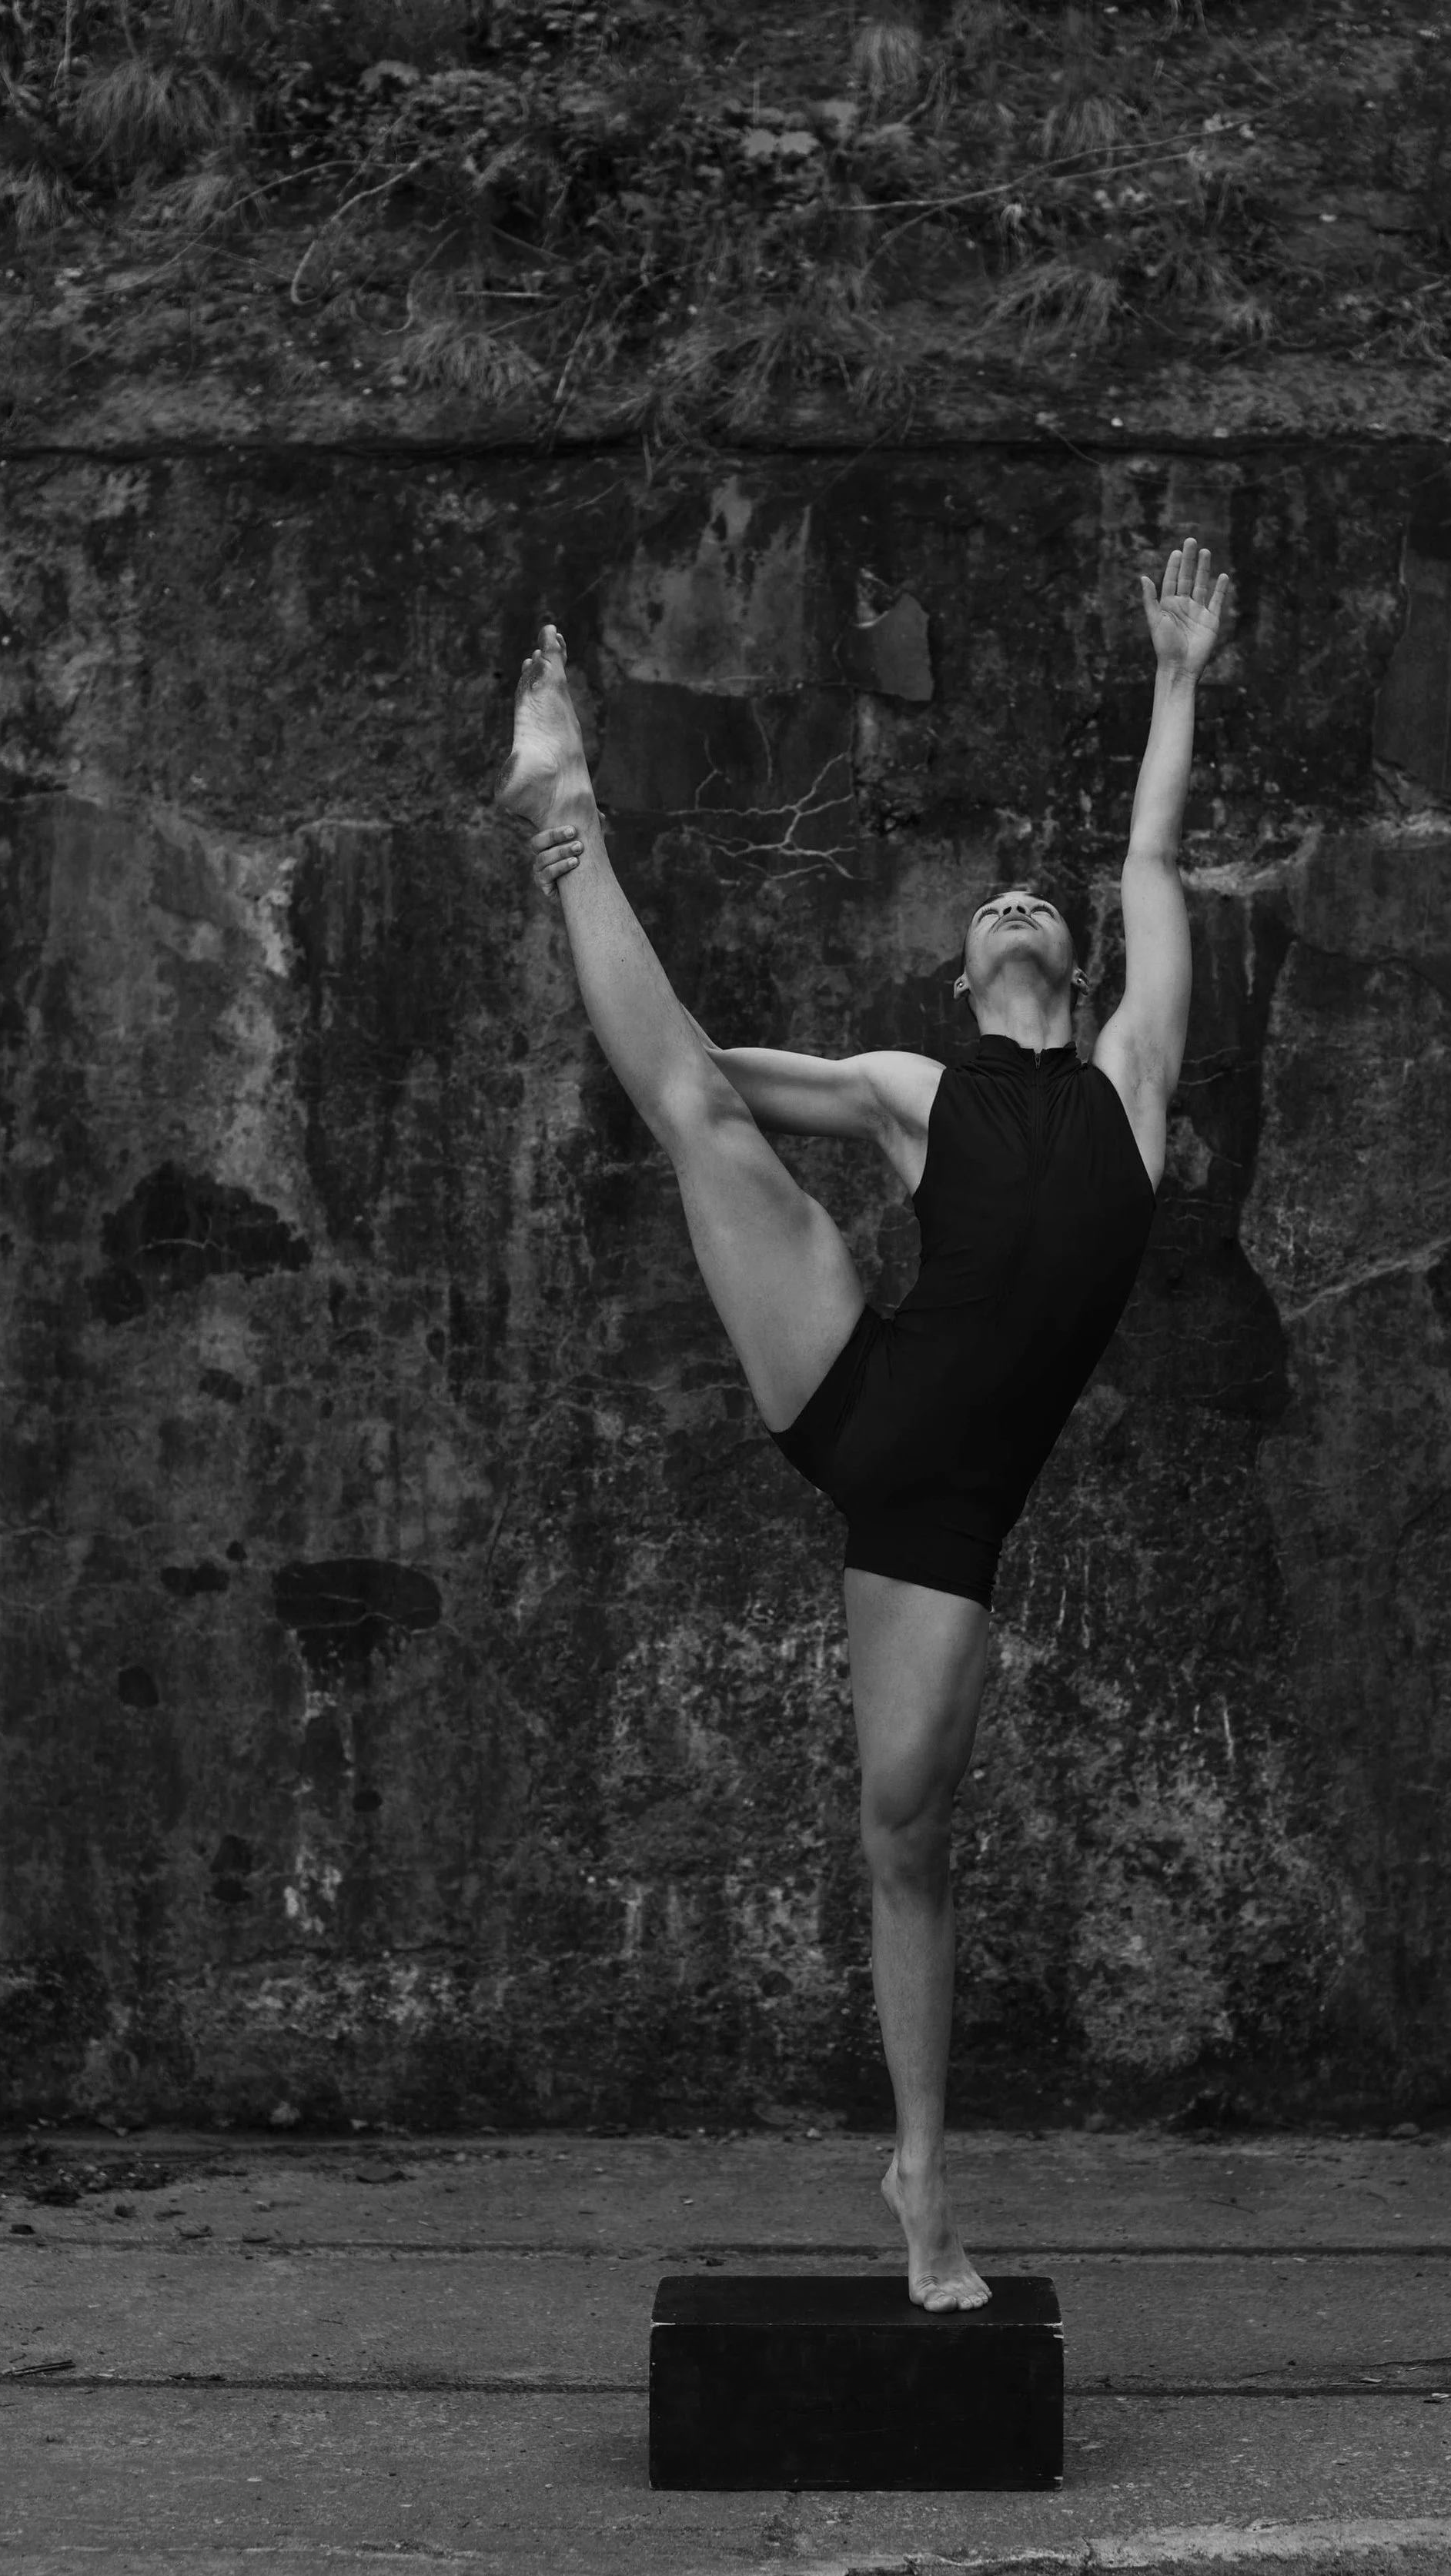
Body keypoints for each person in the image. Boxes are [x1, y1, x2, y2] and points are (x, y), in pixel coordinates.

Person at [497, 540, 1231, 2308]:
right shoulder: (916, 1093)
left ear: (1064, 964)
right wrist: (667, 1053)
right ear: (963, 981)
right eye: (992, 913)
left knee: (907, 1831)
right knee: (694, 1112)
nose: (1017, 908)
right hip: (856, 1386)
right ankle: (560, 815)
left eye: (1030, 909)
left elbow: (1142, 856)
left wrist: (1178, 673)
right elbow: (712, 1075)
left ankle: (918, 2183)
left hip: (946, 1511)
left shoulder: (1130, 1081)